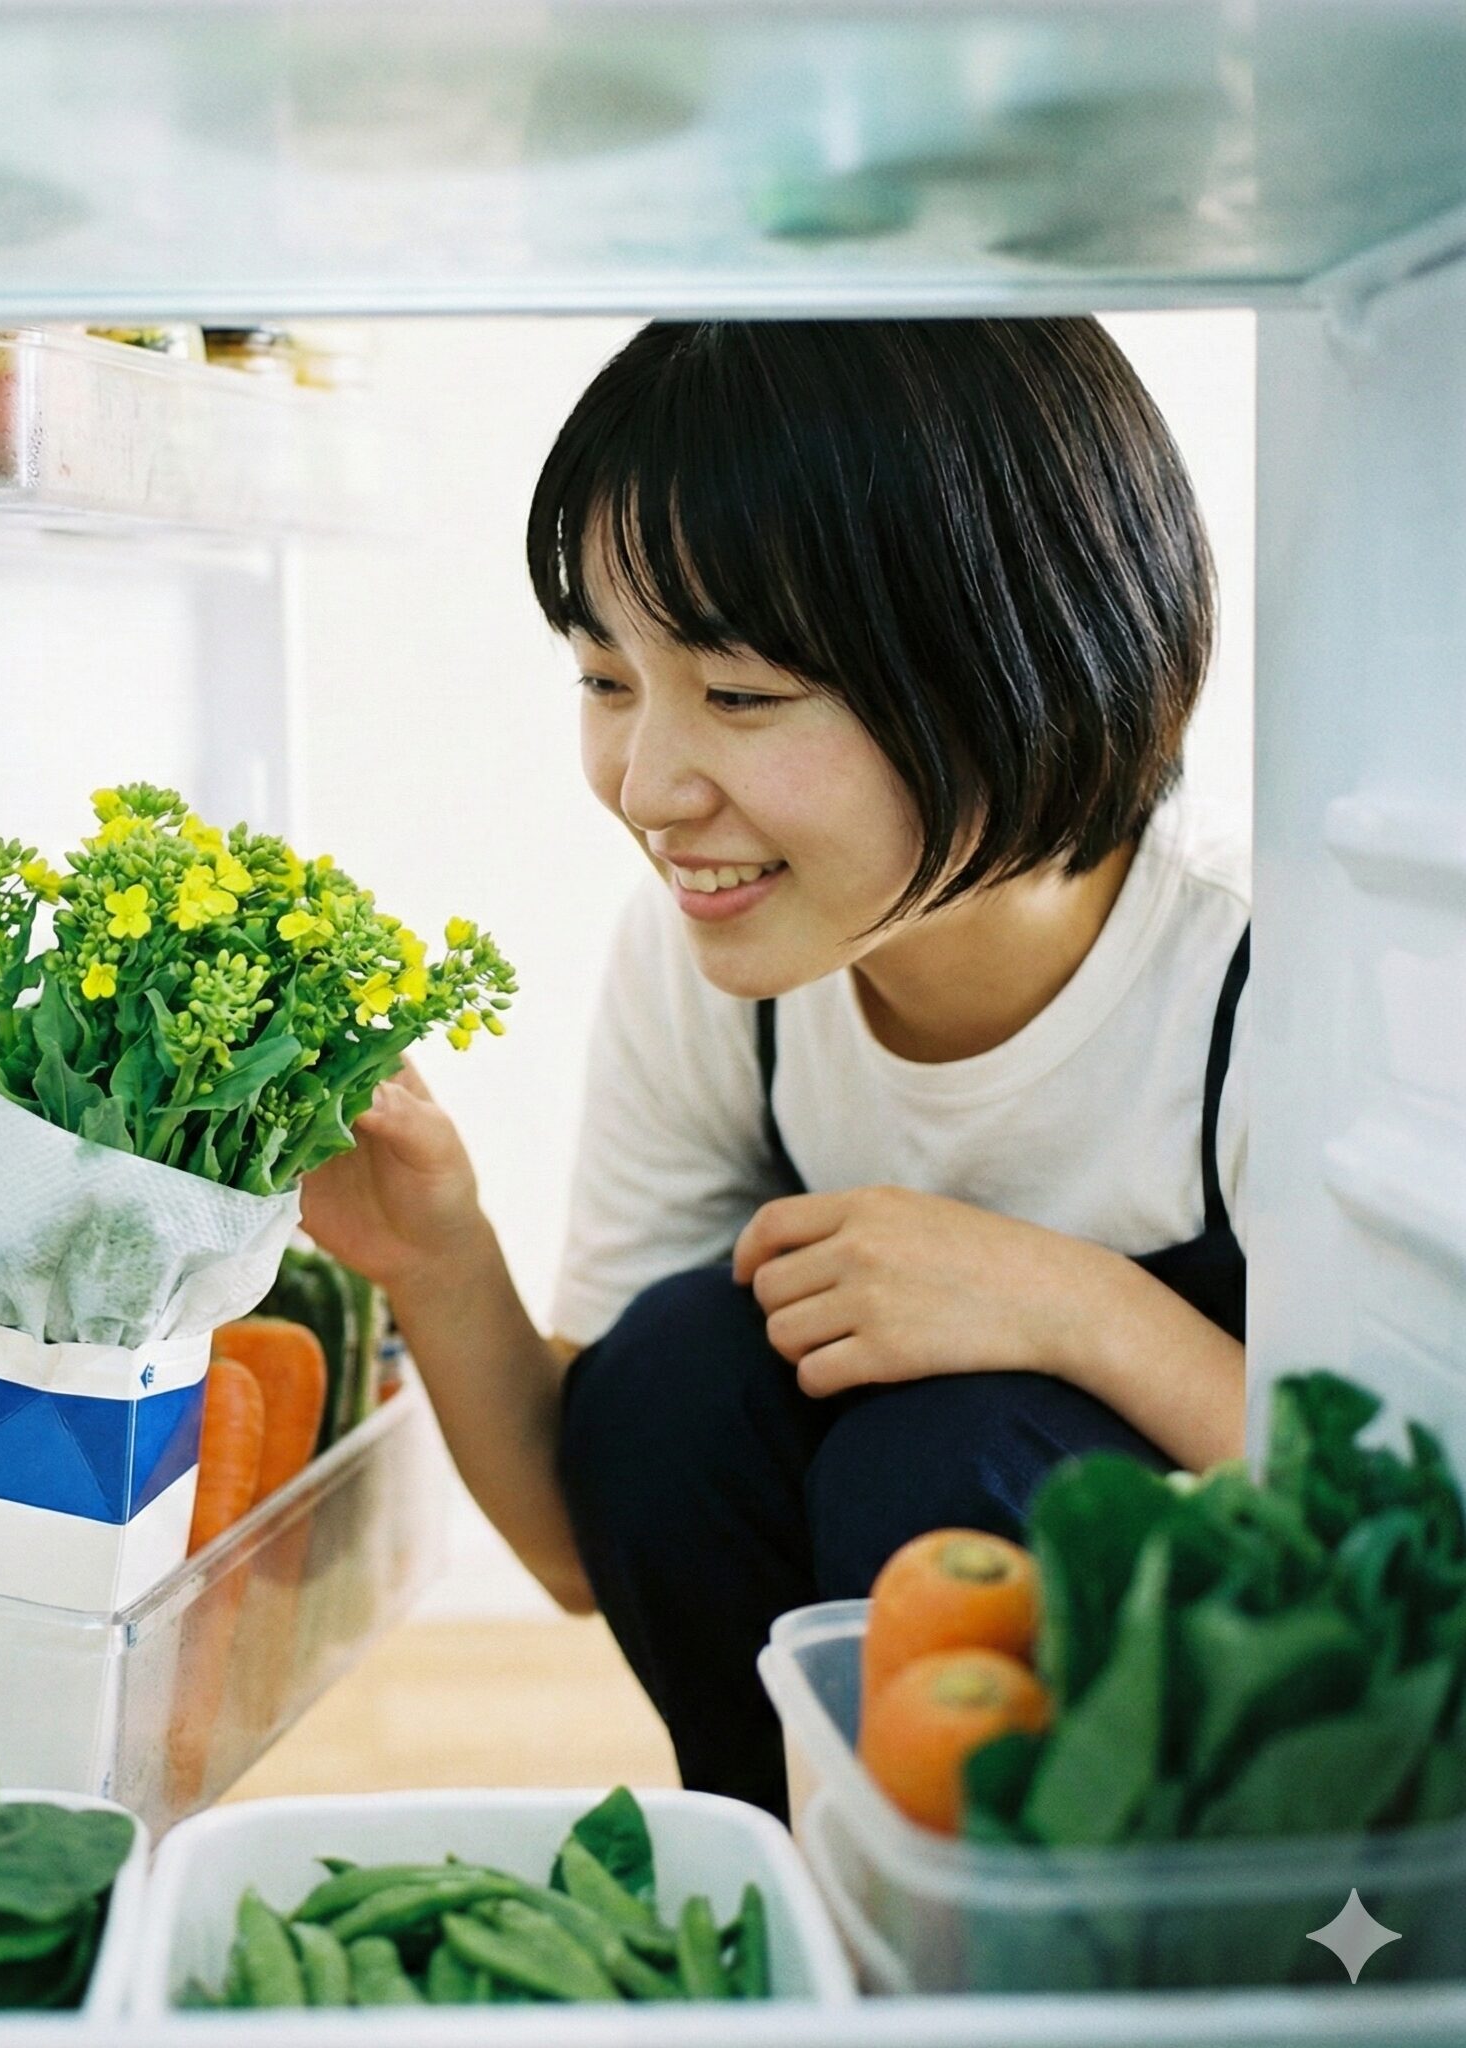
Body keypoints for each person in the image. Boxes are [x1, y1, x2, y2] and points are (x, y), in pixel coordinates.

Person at [299, 319, 1250, 1818]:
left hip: (1236, 1829)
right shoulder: (710, 966)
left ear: (1025, 657)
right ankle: (792, 1901)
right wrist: (436, 1255)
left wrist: (1077, 1307)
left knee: (946, 1460)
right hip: (831, 1780)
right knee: (668, 1383)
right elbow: (583, 1537)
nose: (648, 788)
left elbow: (1415, 1539)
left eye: (739, 697)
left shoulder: (1267, 987)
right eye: (607, 681)